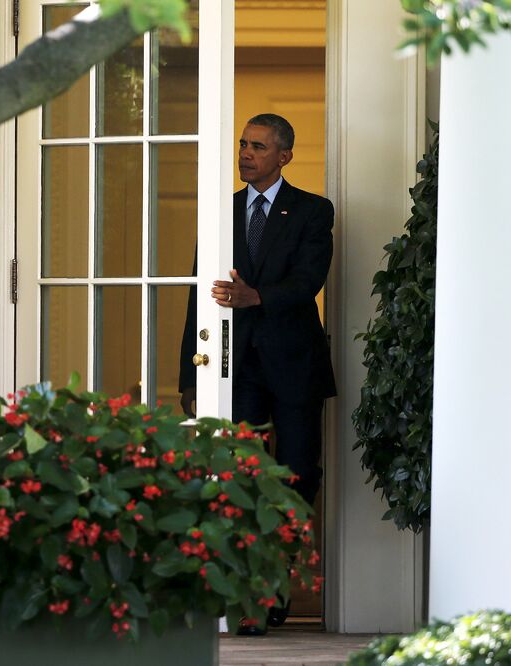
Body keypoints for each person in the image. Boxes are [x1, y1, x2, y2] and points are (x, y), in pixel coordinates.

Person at [178, 113, 336, 635]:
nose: (246, 153)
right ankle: (243, 592)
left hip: (294, 364)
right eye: (243, 144)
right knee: (239, 481)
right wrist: (189, 377)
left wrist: (256, 296)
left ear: (284, 156)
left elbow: (308, 281)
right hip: (232, 368)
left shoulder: (313, 211)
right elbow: (198, 302)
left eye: (258, 147)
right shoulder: (219, 212)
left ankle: (277, 582)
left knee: (294, 479)